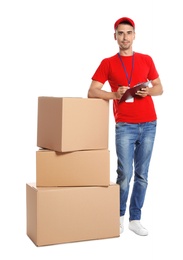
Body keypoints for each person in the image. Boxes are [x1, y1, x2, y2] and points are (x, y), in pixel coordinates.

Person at [87, 17, 163, 236]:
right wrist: (114, 94)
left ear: (134, 35)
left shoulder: (146, 59)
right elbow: (92, 91)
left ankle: (135, 219)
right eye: (120, 33)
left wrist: (147, 91)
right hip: (125, 125)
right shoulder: (108, 63)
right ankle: (118, 216)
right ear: (115, 37)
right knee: (124, 173)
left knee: (142, 174)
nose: (125, 37)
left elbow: (159, 88)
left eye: (128, 33)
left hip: (149, 123)